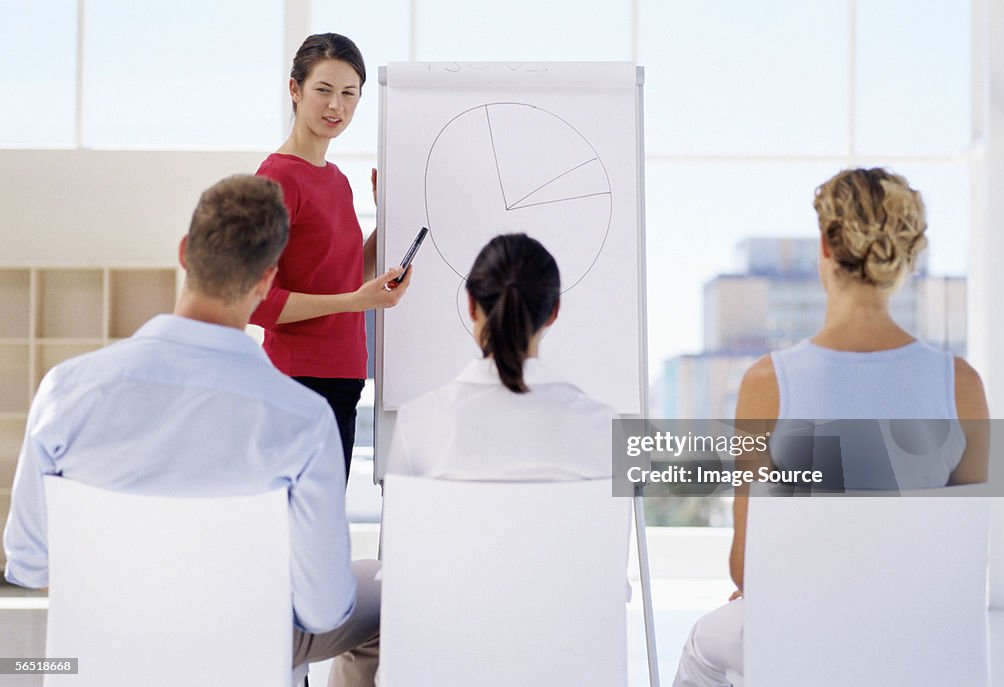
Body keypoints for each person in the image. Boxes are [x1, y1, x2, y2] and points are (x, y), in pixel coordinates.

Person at [3, 175, 379, 687]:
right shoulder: (302, 420)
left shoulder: (65, 392)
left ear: (185, 252)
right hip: (241, 665)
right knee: (385, 591)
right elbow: (321, 610)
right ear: (267, 280)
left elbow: (26, 565)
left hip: (97, 668)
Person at [672, 167, 990, 687]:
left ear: (825, 245)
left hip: (805, 642)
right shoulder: (963, 387)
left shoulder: (767, 384)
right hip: (918, 648)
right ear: (906, 257)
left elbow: (745, 568)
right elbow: (965, 560)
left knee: (704, 648)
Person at [251, 32, 410, 482]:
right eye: (323, 90)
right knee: (299, 529)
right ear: (295, 90)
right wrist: (354, 303)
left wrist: (387, 220)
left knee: (320, 525)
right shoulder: (276, 179)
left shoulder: (337, 180)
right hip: (296, 382)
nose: (335, 106)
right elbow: (258, 303)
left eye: (348, 94)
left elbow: (343, 277)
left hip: (344, 378)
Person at [386, 233, 615, 481]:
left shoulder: (417, 424)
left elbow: (404, 520)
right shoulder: (609, 428)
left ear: (472, 305)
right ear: (554, 312)